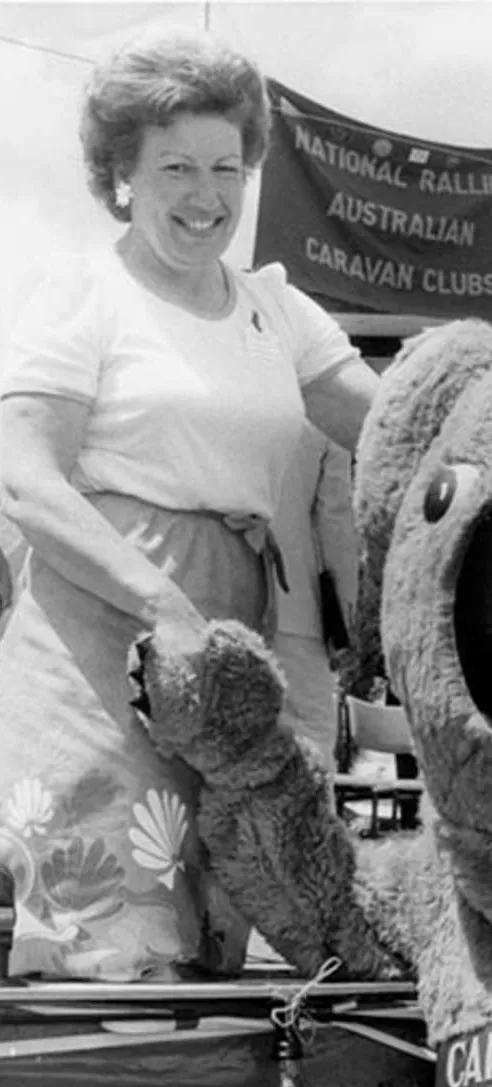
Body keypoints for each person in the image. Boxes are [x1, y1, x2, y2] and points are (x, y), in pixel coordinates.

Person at [0, 29, 379, 980]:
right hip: (102, 636)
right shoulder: (83, 294)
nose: (206, 194)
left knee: (221, 928)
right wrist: (164, 607)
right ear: (121, 176)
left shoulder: (276, 311)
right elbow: (24, 476)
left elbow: (389, 420)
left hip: (241, 641)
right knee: (110, 942)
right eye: (175, 166)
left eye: (226, 166)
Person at [271, 422, 359, 769]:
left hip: (207, 596)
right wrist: (344, 627)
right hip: (297, 609)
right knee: (309, 750)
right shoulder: (321, 411)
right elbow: (335, 524)